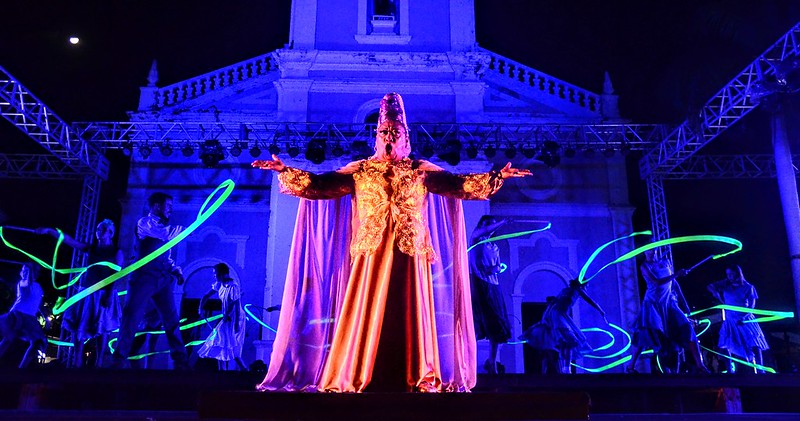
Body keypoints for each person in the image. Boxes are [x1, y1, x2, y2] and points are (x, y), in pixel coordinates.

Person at [253, 93, 531, 393]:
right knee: (366, 309)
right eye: (384, 132)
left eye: (394, 133)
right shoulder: (359, 170)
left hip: (409, 256)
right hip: (371, 257)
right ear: (376, 136)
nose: (389, 138)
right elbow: (322, 185)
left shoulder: (420, 170)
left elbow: (458, 185)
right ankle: (358, 371)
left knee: (410, 312)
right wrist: (285, 171)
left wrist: (495, 177)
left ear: (405, 138)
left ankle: (416, 373)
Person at [110, 192, 189, 370]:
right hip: (144, 277)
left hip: (162, 278)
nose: (171, 209)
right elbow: (164, 235)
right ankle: (119, 359)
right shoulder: (144, 223)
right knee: (132, 316)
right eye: (168, 205)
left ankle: (180, 359)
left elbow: (166, 256)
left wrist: (175, 270)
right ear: (156, 206)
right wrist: (187, 229)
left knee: (171, 319)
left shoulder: (162, 227)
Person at [36, 219, 124, 368]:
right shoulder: (91, 248)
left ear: (110, 233)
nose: (98, 232)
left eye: (102, 229)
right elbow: (71, 241)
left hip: (104, 292)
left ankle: (99, 362)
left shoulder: (116, 252)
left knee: (102, 328)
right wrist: (50, 231)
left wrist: (109, 295)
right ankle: (77, 361)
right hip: (88, 291)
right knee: (80, 326)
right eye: (98, 229)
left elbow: (116, 273)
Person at [627, 249, 708, 373]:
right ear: (645, 251)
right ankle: (631, 365)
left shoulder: (666, 262)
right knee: (646, 335)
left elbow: (674, 283)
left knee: (687, 328)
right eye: (649, 248)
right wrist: (677, 274)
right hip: (653, 304)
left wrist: (684, 302)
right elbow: (656, 282)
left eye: (654, 247)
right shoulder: (644, 266)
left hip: (669, 302)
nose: (652, 250)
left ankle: (700, 365)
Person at [520, 279, 607, 374]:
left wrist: (546, 314)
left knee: (566, 343)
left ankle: (566, 368)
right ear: (582, 284)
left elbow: (554, 302)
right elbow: (590, 300)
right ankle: (565, 368)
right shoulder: (577, 290)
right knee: (571, 340)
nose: (586, 288)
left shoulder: (566, 290)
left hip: (561, 315)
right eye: (586, 286)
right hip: (558, 315)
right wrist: (600, 310)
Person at [469, 216, 512, 375]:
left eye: (495, 226)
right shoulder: (476, 238)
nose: (493, 229)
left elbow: (494, 267)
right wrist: (503, 222)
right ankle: (469, 362)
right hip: (480, 284)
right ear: (482, 225)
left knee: (498, 324)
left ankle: (492, 362)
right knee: (480, 321)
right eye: (490, 225)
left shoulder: (493, 246)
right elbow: (484, 231)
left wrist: (498, 268)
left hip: (494, 285)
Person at [707, 265, 769, 373]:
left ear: (738, 273)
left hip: (744, 318)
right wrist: (716, 294)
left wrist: (744, 318)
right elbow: (710, 286)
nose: (729, 276)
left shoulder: (748, 287)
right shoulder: (726, 285)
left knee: (754, 343)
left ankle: (760, 369)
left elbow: (751, 306)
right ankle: (730, 370)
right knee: (724, 344)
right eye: (728, 274)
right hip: (730, 319)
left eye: (731, 274)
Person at [195, 263, 246, 371]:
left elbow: (236, 305)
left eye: (216, 274)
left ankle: (244, 370)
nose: (214, 276)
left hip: (234, 317)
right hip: (226, 317)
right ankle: (222, 371)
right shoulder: (219, 284)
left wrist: (236, 324)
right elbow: (206, 295)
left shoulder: (233, 286)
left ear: (222, 274)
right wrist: (201, 308)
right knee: (220, 341)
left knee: (229, 344)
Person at [0, 262, 50, 368]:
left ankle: (22, 369)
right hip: (18, 315)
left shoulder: (37, 286)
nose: (22, 272)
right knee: (8, 339)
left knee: (38, 342)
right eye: (22, 270)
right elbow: (28, 281)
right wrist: (29, 269)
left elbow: (39, 304)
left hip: (29, 318)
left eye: (25, 270)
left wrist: (46, 317)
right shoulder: (23, 283)